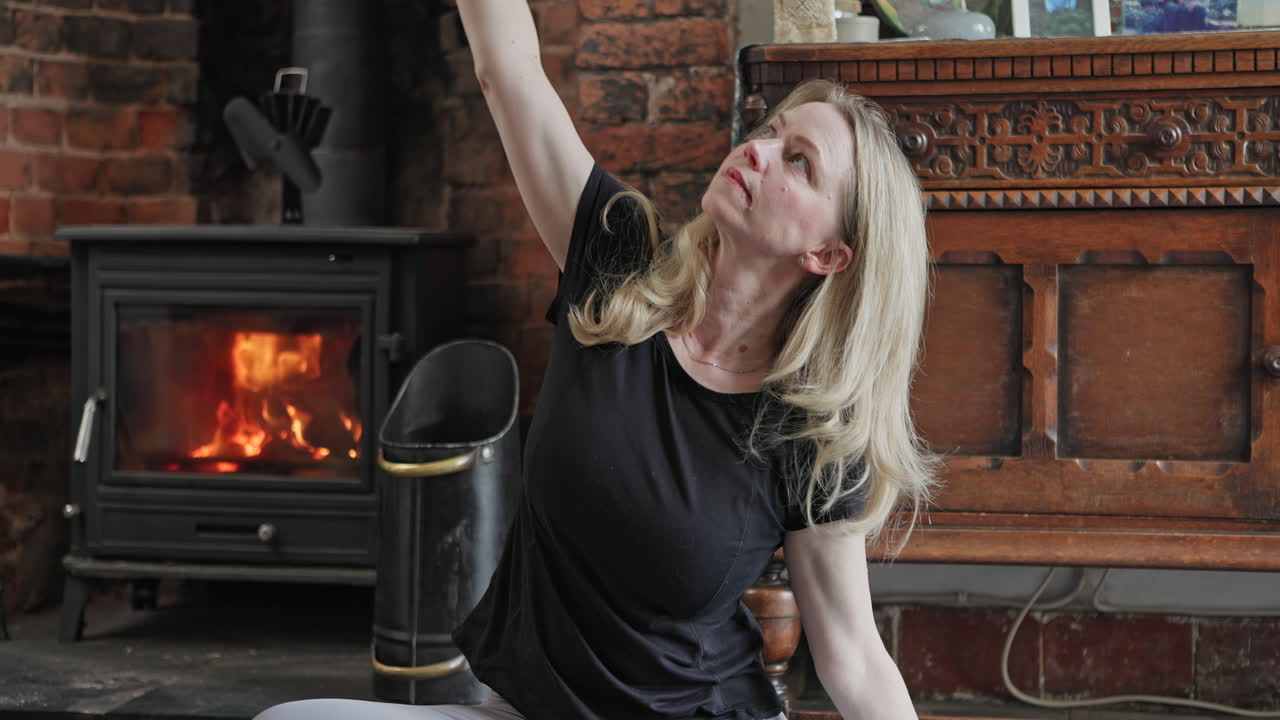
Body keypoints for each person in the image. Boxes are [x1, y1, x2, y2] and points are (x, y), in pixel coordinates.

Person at [254, 2, 940, 719]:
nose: (758, 150)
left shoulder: (810, 432)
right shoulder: (617, 269)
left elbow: (854, 658)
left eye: (798, 162)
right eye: (769, 131)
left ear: (828, 254)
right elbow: (506, 70)